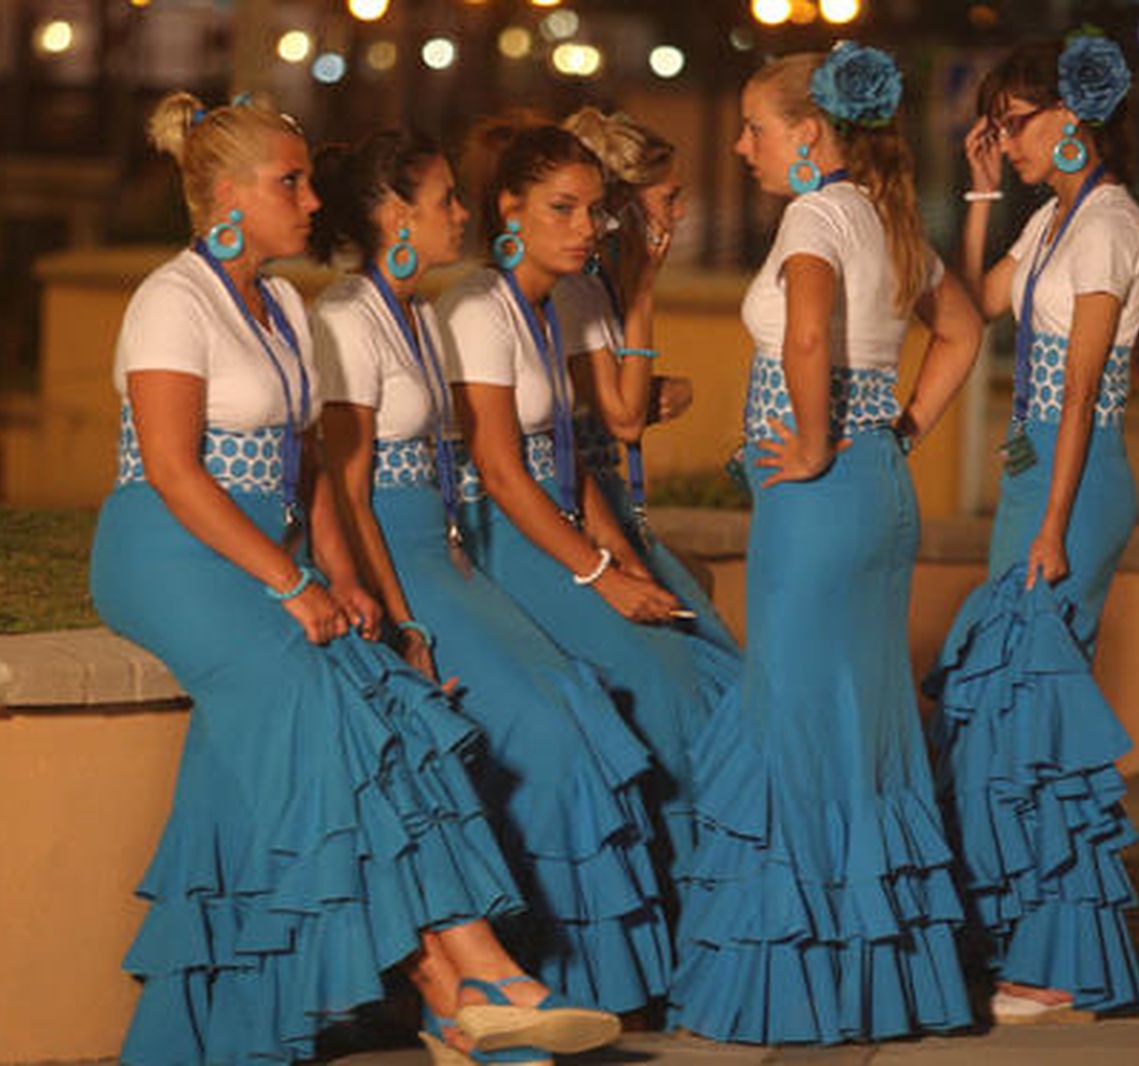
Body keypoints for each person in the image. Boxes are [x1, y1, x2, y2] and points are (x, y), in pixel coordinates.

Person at [89, 91, 618, 1065]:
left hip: (264, 549)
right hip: (168, 552)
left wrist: (348, 586)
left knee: (384, 694)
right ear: (225, 197)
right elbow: (171, 470)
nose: (308, 195)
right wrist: (293, 585)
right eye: (288, 180)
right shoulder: (171, 297)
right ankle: (465, 983)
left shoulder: (284, 302)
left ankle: (464, 989)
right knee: (311, 695)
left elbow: (314, 475)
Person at [309, 129, 674, 1019]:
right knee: (543, 730)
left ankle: (595, 984)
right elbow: (348, 491)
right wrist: (405, 625)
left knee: (575, 703)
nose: (461, 213)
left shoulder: (423, 316)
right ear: (394, 215)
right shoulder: (344, 318)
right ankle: (518, 975)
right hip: (399, 566)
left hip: (446, 553)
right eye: (443, 201)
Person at [668, 44, 983, 1045]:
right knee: (863, 726)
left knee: (794, 723)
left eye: (754, 128)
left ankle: (792, 989)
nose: (740, 144)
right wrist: (900, 430)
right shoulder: (885, 216)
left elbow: (808, 334)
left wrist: (807, 442)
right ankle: (880, 986)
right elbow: (965, 330)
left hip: (815, 502)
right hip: (880, 492)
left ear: (807, 135)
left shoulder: (814, 215)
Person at [439, 121, 739, 924]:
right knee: (663, 686)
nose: (586, 230)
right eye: (562, 209)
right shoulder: (478, 306)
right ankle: (677, 920)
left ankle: (721, 918)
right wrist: (601, 576)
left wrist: (618, 551)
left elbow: (568, 455)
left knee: (714, 675)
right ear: (510, 207)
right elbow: (503, 472)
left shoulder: (552, 305)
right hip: (511, 536)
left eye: (594, 212)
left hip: (565, 523)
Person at [924, 30, 1139, 1023]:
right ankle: (1023, 929)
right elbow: (974, 308)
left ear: (1071, 119)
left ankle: (1063, 958)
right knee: (1000, 710)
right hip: (1035, 482)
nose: (1001, 137)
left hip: (1075, 481)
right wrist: (979, 195)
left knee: (1039, 713)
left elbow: (1079, 394)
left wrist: (1053, 524)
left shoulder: (1107, 226)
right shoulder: (1055, 222)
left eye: (1012, 122)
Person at [555, 107, 737, 651]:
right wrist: (644, 288)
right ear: (625, 208)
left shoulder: (602, 287)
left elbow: (616, 396)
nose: (679, 215)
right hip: (583, 509)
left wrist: (661, 388)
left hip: (612, 496)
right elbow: (625, 419)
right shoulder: (577, 292)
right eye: (669, 199)